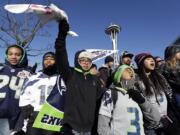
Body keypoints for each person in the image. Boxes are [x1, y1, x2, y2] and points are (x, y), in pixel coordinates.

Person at [55, 19, 104, 135]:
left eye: (88, 60)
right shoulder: (70, 74)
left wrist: (99, 80)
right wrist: (62, 36)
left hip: (88, 128)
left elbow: (98, 96)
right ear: (77, 61)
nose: (86, 62)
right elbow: (60, 55)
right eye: (82, 60)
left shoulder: (94, 78)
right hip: (71, 128)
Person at [18, 52, 64, 135]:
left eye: (52, 59)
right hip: (35, 114)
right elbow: (24, 93)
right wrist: (27, 108)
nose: (48, 61)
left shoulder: (61, 78)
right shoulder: (34, 77)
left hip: (53, 116)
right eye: (46, 59)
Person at [134, 53, 180, 135]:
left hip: (168, 119)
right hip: (150, 123)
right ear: (140, 63)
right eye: (147, 59)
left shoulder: (160, 77)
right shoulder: (136, 80)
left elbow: (170, 94)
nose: (152, 60)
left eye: (152, 59)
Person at [98, 65, 149, 135]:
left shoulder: (138, 94)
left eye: (132, 72)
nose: (132, 73)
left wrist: (143, 102)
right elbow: (103, 124)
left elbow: (155, 118)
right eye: (128, 71)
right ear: (119, 76)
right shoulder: (111, 93)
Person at [0, 45, 31, 135]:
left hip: (13, 116)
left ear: (23, 56)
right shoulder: (1, 69)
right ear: (6, 55)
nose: (13, 56)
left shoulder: (28, 73)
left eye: (17, 54)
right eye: (10, 54)